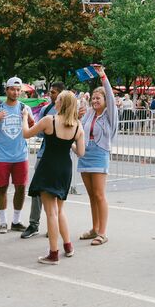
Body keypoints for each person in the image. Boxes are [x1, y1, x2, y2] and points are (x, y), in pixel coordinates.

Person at [23, 90, 86, 265]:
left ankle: (53, 253)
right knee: (60, 210)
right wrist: (69, 143)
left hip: (48, 166)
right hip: (65, 168)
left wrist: (24, 116)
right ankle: (68, 246)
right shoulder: (78, 126)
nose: (55, 102)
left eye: (57, 99)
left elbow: (26, 134)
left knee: (50, 212)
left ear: (61, 103)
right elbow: (81, 152)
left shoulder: (49, 121)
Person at [0, 77, 35, 234]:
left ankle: (16, 221)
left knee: (21, 188)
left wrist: (30, 120)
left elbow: (31, 128)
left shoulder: (25, 108)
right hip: (2, 156)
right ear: (7, 90)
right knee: (2, 188)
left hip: (21, 155)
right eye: (13, 89)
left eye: (19, 90)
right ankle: (3, 221)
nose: (16, 92)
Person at [20, 81, 65, 239]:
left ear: (61, 95)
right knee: (38, 190)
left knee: (57, 193)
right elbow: (38, 134)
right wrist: (34, 125)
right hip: (44, 154)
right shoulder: (46, 109)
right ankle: (34, 224)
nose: (50, 95)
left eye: (53, 92)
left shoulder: (70, 112)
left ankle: (54, 227)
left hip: (59, 157)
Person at [79, 64, 118, 246]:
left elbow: (110, 96)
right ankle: (94, 228)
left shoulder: (110, 114)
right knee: (91, 195)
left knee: (99, 194)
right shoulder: (88, 114)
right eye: (93, 98)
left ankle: (102, 232)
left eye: (98, 98)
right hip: (85, 155)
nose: (95, 101)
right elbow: (78, 129)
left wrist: (103, 76)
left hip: (100, 154)